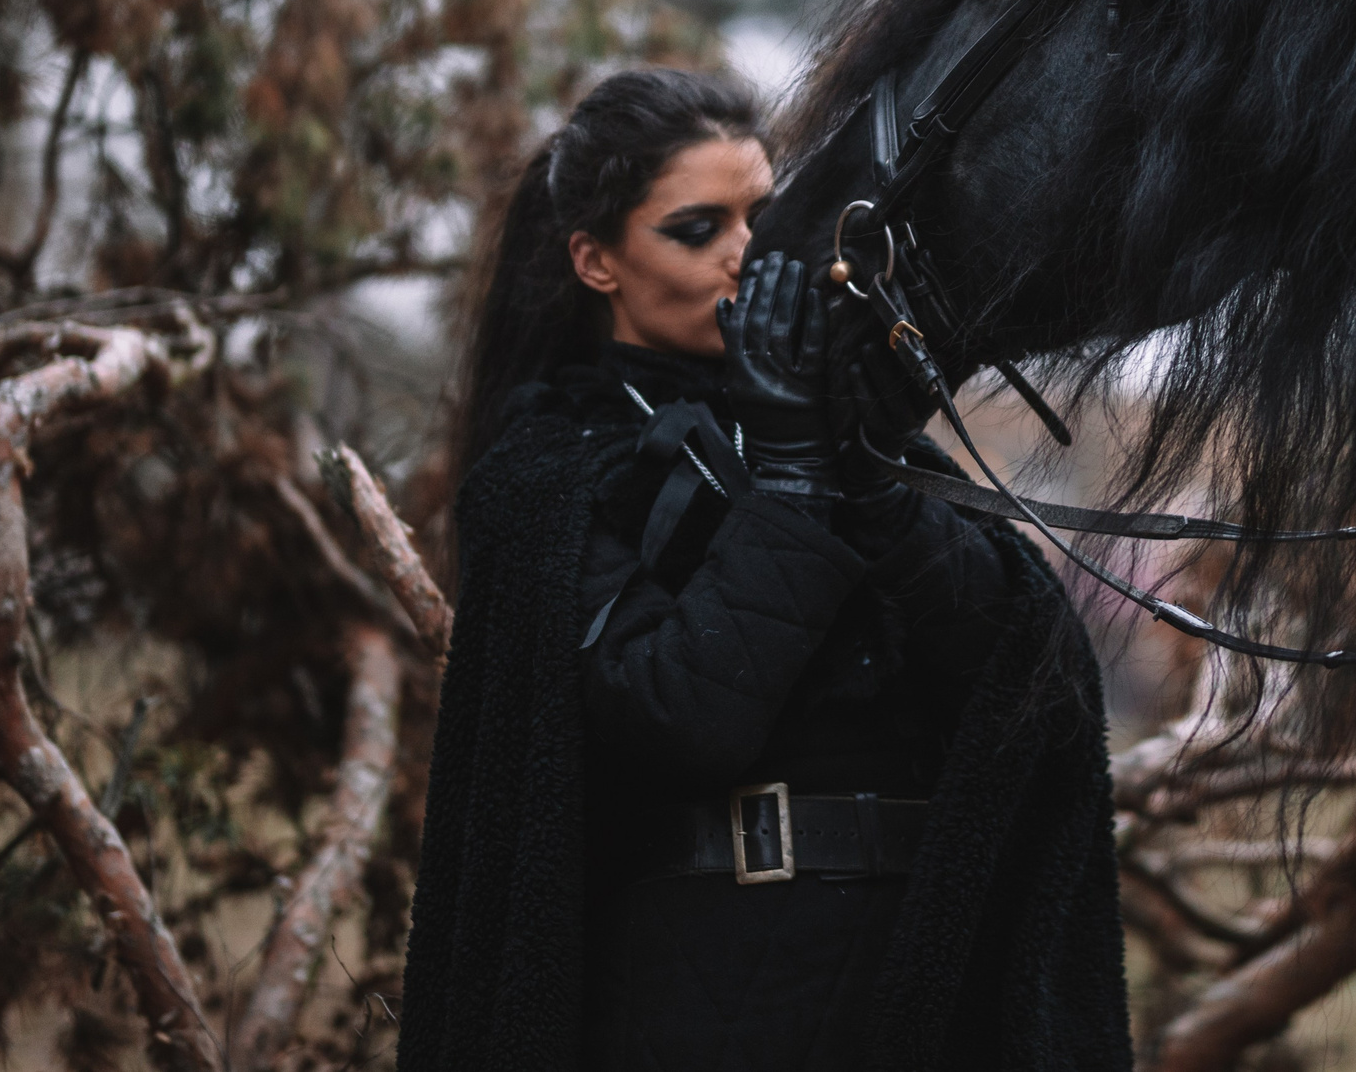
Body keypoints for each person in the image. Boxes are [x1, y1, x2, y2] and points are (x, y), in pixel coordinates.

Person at [396, 68, 1131, 1072]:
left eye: (762, 215)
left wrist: (872, 492)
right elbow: (672, 714)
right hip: (700, 986)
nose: (747, 253)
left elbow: (1028, 683)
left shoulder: (863, 438)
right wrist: (790, 487)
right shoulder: (548, 475)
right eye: (698, 228)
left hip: (920, 979)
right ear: (595, 259)